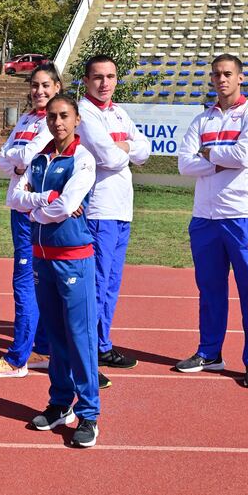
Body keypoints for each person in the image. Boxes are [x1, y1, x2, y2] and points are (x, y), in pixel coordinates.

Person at [175, 53, 248, 388]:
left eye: (228, 73)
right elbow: (184, 164)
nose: (222, 79)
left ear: (240, 77)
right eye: (217, 74)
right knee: (210, 290)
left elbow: (245, 155)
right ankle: (210, 353)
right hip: (205, 217)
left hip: (241, 216)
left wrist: (208, 154)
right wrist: (219, 161)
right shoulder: (203, 119)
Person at [9, 94, 100, 447]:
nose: (57, 122)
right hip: (41, 257)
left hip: (73, 258)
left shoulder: (83, 159)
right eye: (51, 116)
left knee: (80, 337)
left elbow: (68, 205)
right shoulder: (38, 158)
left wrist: (37, 207)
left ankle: (89, 414)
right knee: (56, 337)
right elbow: (15, 199)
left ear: (77, 120)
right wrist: (44, 201)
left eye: (64, 116)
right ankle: (60, 403)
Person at [0, 64, 61, 378]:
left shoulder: (54, 121)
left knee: (25, 282)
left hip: (34, 212)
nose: (39, 91)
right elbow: (2, 158)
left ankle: (17, 360)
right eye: (35, 85)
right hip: (19, 208)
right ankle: (42, 349)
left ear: (57, 87)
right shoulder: (27, 119)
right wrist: (16, 159)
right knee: (37, 283)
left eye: (45, 85)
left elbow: (26, 157)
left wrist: (18, 159)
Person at [77, 55, 152, 371]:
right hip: (99, 210)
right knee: (97, 283)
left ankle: (102, 343)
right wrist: (127, 149)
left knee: (110, 284)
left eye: (110, 76)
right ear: (86, 80)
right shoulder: (84, 113)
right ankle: (90, 349)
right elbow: (109, 158)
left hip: (122, 209)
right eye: (98, 77)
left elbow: (146, 150)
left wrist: (127, 148)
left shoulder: (119, 113)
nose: (104, 83)